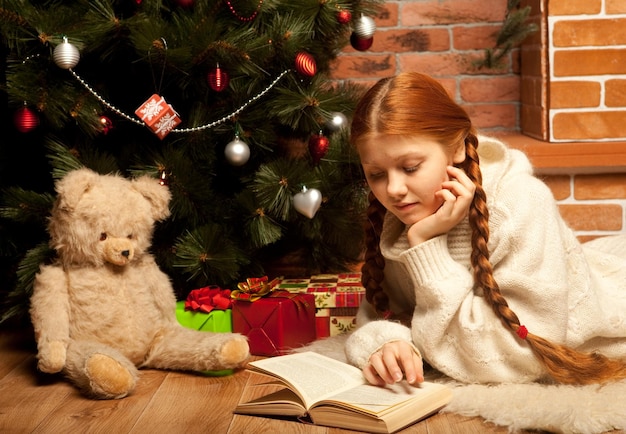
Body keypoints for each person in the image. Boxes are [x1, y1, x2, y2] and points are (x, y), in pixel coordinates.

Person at [345, 71, 626, 387]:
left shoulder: (520, 202)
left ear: (457, 149)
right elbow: (381, 316)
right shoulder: (398, 215)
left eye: (410, 168)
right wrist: (386, 343)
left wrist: (427, 245)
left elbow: (516, 358)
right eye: (376, 174)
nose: (394, 189)